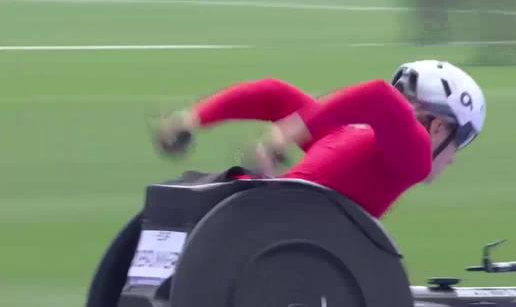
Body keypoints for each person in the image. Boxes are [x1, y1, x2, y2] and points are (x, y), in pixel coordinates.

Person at [152, 60, 486, 218]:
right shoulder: (414, 159)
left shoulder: (345, 135)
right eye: (461, 142)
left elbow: (274, 94)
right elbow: (382, 96)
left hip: (247, 209)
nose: (454, 158)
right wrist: (285, 134)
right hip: (278, 228)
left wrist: (193, 119)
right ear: (440, 128)